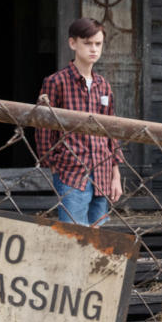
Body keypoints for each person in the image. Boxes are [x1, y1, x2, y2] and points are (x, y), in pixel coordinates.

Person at [35, 18, 123, 226]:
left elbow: (111, 132)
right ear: (73, 43)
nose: (93, 49)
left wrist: (115, 175)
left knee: (97, 236)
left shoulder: (104, 86)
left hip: (102, 173)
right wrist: (55, 165)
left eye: (98, 44)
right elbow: (43, 130)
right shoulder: (56, 82)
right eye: (87, 43)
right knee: (74, 234)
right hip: (72, 173)